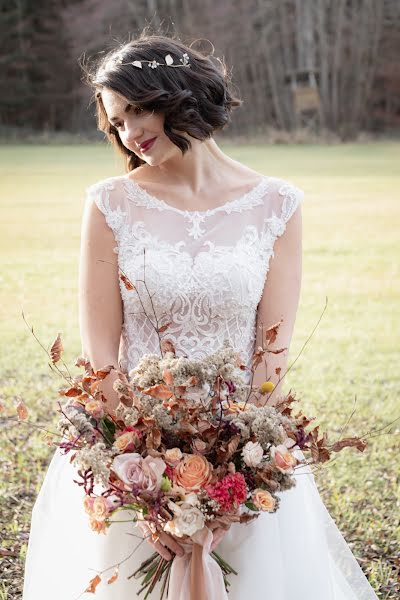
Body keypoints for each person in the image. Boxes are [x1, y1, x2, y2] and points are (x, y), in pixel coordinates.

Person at [22, 32, 380, 600]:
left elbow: (271, 357)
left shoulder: (276, 205)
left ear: (180, 94)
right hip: (134, 456)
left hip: (242, 451)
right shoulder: (110, 203)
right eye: (117, 122)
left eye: (138, 110)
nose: (129, 133)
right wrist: (141, 485)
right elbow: (100, 355)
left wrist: (233, 478)